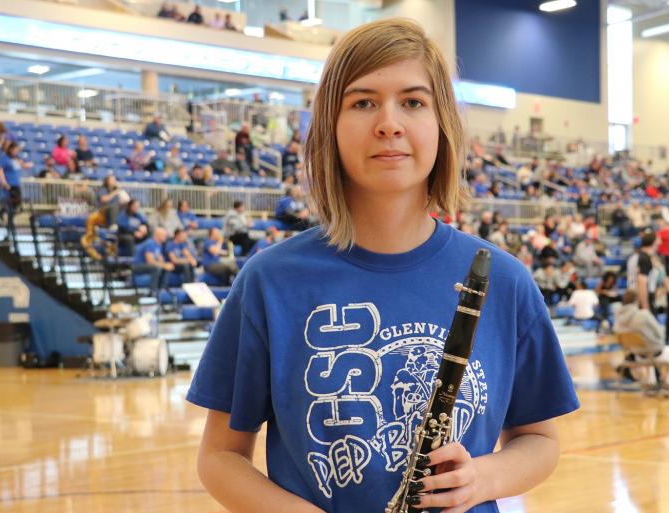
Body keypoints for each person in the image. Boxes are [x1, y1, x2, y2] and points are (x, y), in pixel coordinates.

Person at [187, 19, 578, 513]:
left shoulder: (506, 280)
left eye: (413, 102)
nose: (389, 122)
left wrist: (482, 477)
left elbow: (540, 440)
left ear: (442, 125)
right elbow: (220, 456)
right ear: (330, 125)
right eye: (363, 102)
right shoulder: (270, 282)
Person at [614, 290, 669, 387]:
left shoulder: (617, 318)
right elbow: (659, 333)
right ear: (636, 301)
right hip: (653, 354)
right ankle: (668, 385)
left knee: (646, 348)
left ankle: (651, 384)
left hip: (636, 355)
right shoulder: (643, 314)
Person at [132, 227, 174, 296]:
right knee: (157, 268)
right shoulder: (150, 243)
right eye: (164, 235)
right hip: (138, 266)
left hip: (148, 266)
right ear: (158, 235)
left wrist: (166, 265)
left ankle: (162, 290)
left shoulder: (159, 245)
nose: (166, 237)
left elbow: (161, 259)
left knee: (166, 268)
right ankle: (153, 291)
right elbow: (150, 261)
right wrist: (164, 265)